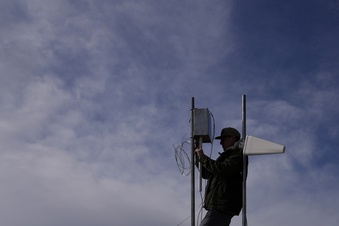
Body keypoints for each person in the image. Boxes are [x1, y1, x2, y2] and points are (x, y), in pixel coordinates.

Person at [195, 127, 246, 226]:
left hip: (223, 204)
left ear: (233, 138)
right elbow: (207, 174)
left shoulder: (238, 153)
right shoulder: (228, 155)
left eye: (223, 139)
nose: (221, 143)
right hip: (219, 206)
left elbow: (224, 170)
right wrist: (198, 158)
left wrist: (203, 158)